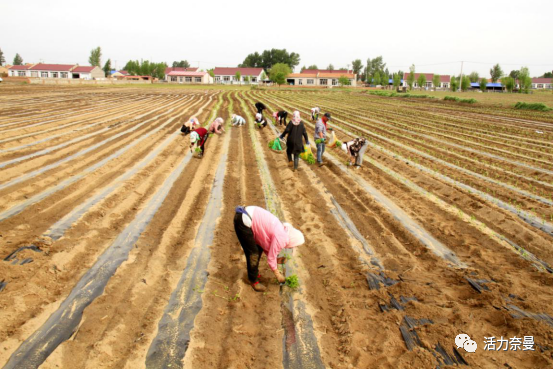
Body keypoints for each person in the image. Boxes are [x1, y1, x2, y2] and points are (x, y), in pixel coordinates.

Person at [234, 205, 305, 292]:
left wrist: (276, 259)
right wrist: (278, 274)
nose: (291, 247)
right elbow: (270, 258)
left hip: (246, 215)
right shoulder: (281, 238)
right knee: (253, 254)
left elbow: (266, 247)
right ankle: (253, 281)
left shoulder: (283, 231)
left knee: (258, 248)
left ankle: (254, 273)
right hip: (243, 220)